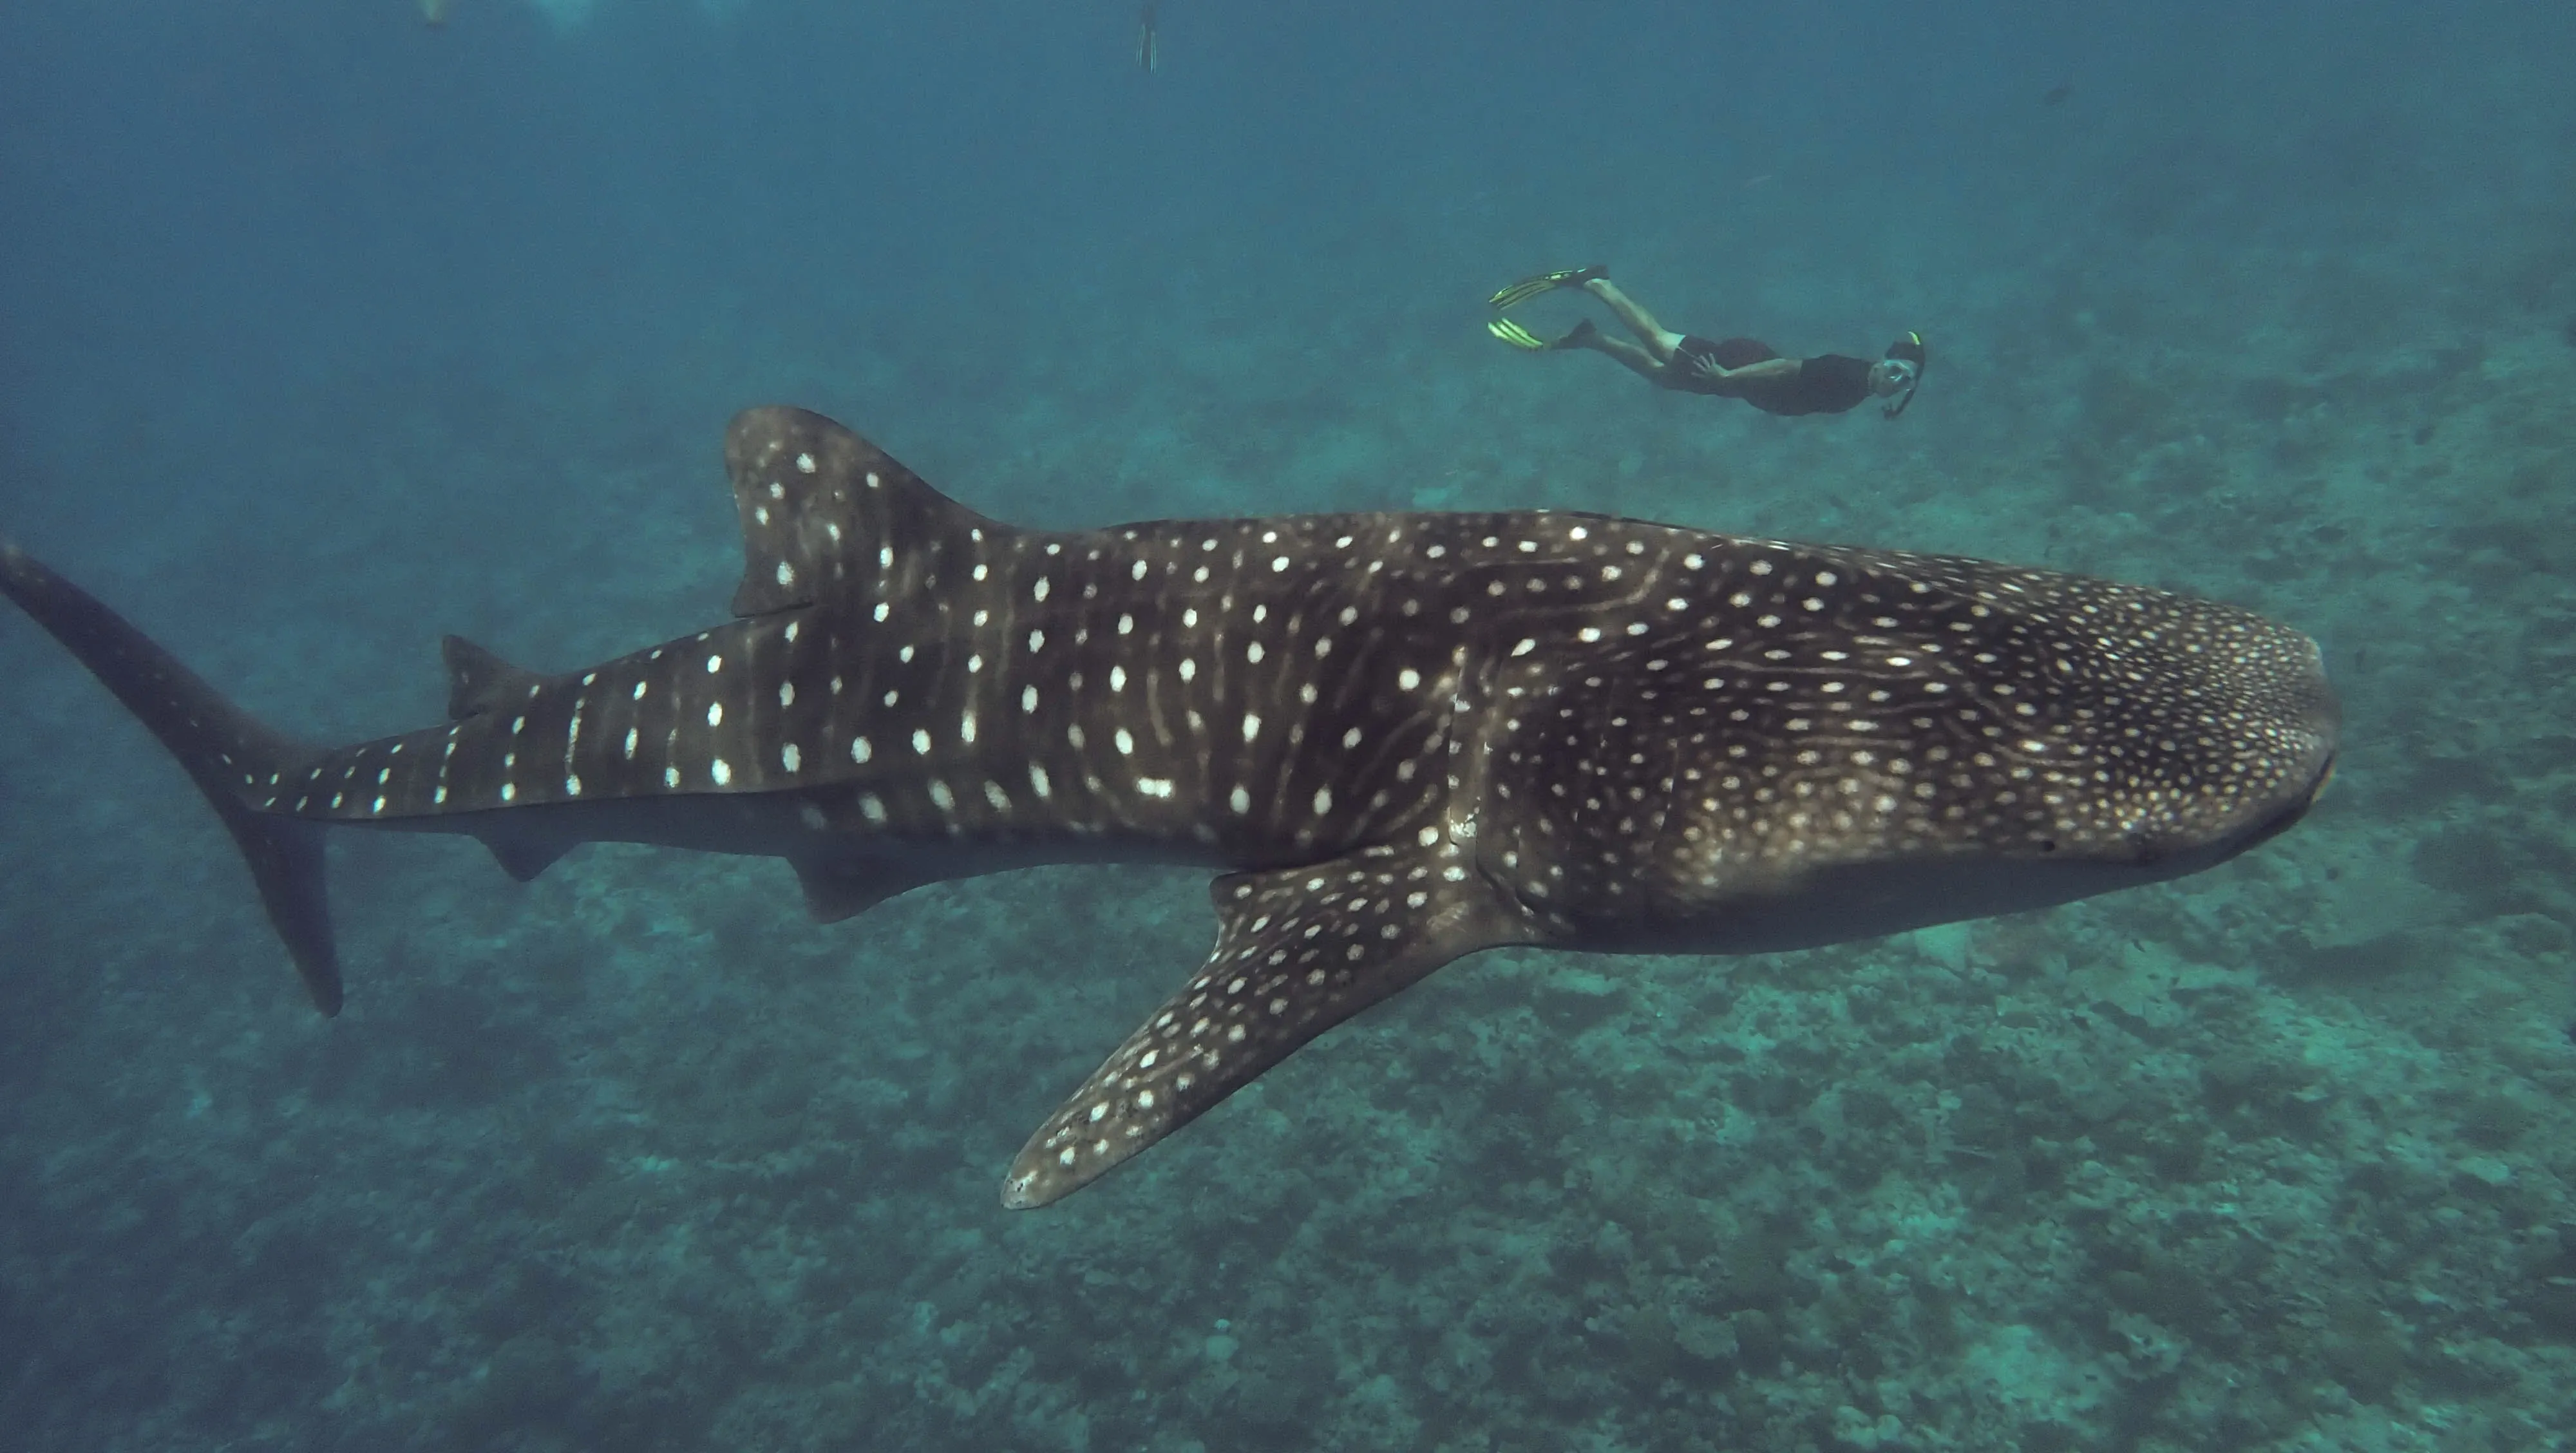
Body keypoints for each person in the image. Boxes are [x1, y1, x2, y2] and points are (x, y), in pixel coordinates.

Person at [1488, 265, 1926, 419]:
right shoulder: (1848, 374)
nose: (1895, 379)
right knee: (1658, 341)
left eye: (1904, 380)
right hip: (1743, 366)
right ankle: (1597, 282)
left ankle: (1591, 338)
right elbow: (1786, 368)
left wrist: (1733, 384)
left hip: (1744, 383)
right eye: (1895, 369)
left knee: (1664, 377)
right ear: (1882, 359)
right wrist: (1728, 375)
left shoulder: (1861, 389)